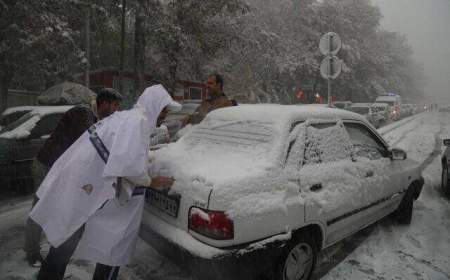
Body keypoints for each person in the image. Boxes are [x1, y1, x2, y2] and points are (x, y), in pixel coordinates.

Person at [29, 85, 180, 280]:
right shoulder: (138, 122)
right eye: (163, 109)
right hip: (85, 185)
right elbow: (126, 166)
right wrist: (151, 181)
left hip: (82, 182)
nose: (165, 114)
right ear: (153, 105)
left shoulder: (128, 118)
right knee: (92, 241)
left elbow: (120, 156)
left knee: (67, 235)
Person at [24, 88, 123, 267]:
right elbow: (92, 142)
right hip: (47, 164)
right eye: (115, 105)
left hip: (59, 168)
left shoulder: (94, 118)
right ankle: (31, 252)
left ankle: (56, 242)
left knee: (58, 205)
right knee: (40, 206)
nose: (117, 110)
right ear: (104, 103)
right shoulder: (82, 113)